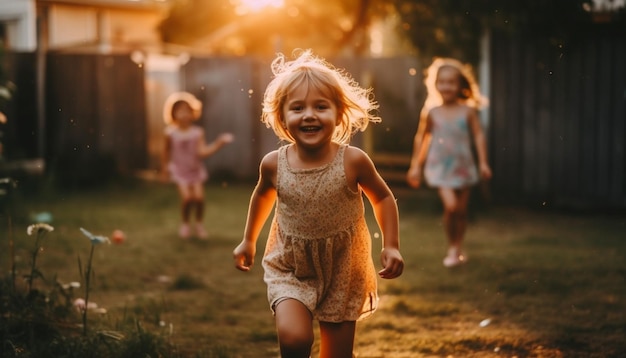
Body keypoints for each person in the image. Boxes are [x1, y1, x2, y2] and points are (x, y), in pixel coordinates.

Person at [233, 50, 404, 358]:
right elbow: (262, 195)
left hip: (343, 267)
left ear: (338, 114)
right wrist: (248, 240)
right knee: (295, 339)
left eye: (320, 106)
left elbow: (382, 197)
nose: (309, 115)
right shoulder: (274, 164)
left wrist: (390, 245)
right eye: (297, 108)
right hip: (290, 265)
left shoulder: (352, 161)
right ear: (283, 117)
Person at [406, 58, 492, 268]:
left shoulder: (468, 111)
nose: (446, 87)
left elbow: (479, 136)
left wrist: (483, 163)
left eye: (451, 82)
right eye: (442, 82)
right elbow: (422, 138)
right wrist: (416, 165)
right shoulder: (432, 113)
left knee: (461, 212)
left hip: (463, 167)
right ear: (435, 85)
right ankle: (452, 247)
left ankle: (456, 247)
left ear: (460, 85)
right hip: (440, 167)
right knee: (452, 207)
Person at [161, 91, 234, 239]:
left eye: (187, 110)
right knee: (187, 199)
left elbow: (202, 152)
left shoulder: (197, 132)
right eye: (180, 110)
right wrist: (165, 169)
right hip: (179, 171)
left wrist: (218, 144)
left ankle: (199, 224)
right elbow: (165, 152)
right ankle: (186, 224)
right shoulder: (170, 133)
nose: (184, 114)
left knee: (199, 199)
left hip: (195, 171)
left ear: (193, 112)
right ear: (173, 113)